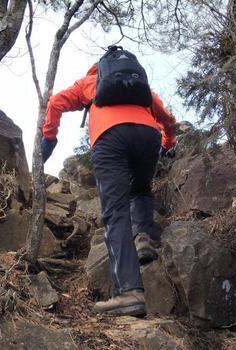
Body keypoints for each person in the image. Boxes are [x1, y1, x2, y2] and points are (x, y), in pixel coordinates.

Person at [40, 53, 176, 317]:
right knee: (140, 188)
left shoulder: (90, 82)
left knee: (116, 213)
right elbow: (167, 118)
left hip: (110, 137)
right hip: (148, 135)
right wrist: (168, 143)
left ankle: (129, 292)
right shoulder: (139, 87)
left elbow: (55, 102)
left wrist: (49, 138)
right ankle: (144, 238)